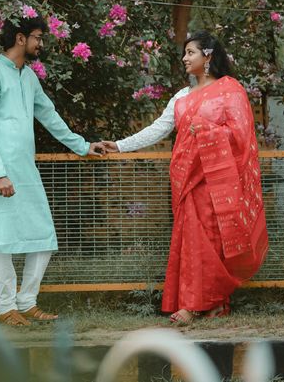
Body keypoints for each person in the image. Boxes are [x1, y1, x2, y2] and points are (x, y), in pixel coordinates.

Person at [101, 30, 268, 324]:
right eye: (185, 53)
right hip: (187, 182)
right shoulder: (182, 97)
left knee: (215, 245)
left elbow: (241, 135)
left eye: (190, 52)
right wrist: (120, 145)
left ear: (208, 55)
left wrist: (208, 131)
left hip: (217, 183)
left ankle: (208, 304)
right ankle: (197, 303)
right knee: (193, 244)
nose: (184, 58)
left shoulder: (230, 90)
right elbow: (158, 129)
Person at [0, 14, 105, 326]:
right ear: (21, 38)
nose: (40, 44)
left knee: (44, 236)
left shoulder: (28, 77)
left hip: (26, 172)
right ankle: (7, 308)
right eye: (37, 38)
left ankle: (27, 302)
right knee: (2, 242)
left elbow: (50, 116)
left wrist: (83, 146)